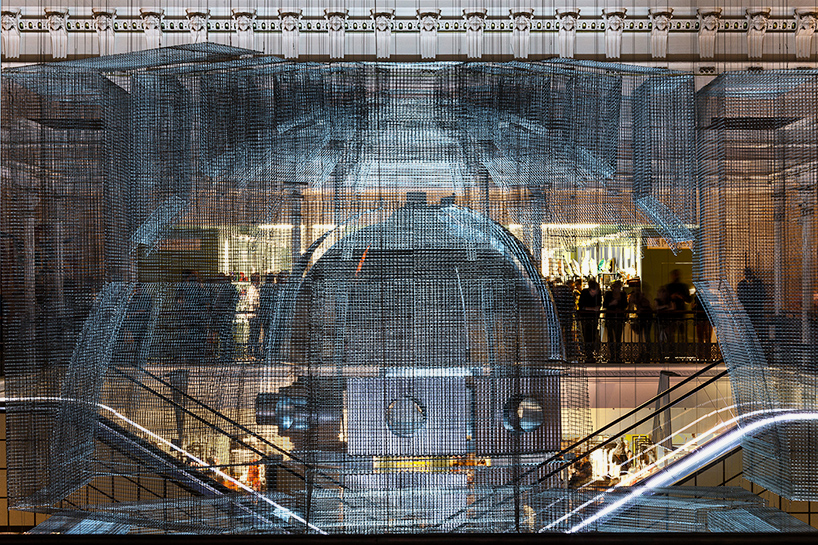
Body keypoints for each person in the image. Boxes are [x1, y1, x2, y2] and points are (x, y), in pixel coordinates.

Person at [603, 280, 628, 362]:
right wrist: (611, 304)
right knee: (611, 337)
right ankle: (612, 355)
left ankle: (618, 355)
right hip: (610, 318)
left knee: (618, 337)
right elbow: (605, 305)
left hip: (619, 318)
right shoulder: (609, 294)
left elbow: (625, 305)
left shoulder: (623, 295)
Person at [628, 282, 653, 362]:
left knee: (645, 336)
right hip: (643, 318)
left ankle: (646, 353)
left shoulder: (644, 298)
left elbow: (647, 306)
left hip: (646, 318)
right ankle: (644, 353)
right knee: (643, 337)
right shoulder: (640, 297)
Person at [578, 279, 602, 363]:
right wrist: (592, 309)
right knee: (586, 335)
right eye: (593, 292)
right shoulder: (584, 293)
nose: (594, 294)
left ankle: (590, 352)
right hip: (585, 318)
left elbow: (599, 304)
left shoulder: (598, 294)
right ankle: (588, 353)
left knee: (593, 335)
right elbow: (581, 306)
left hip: (594, 318)